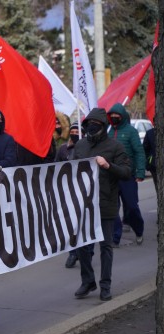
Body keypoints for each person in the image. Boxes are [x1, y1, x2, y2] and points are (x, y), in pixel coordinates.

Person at [72, 108, 131, 302]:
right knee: (82, 246)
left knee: (105, 246)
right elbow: (68, 170)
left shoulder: (115, 147)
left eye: (95, 124)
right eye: (88, 124)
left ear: (103, 126)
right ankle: (88, 281)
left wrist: (107, 165)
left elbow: (126, 172)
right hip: (83, 204)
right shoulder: (79, 146)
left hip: (105, 203)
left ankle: (105, 285)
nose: (91, 127)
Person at [107, 103, 145, 246]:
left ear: (122, 117)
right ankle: (115, 237)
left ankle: (139, 230)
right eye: (112, 116)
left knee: (132, 206)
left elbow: (139, 152)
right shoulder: (108, 131)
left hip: (127, 176)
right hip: (111, 176)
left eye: (117, 116)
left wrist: (140, 172)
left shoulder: (131, 131)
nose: (114, 117)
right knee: (112, 208)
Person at [56, 122, 82, 268]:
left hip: (84, 191)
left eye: (78, 131)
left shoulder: (86, 148)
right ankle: (73, 253)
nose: (74, 134)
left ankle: (86, 251)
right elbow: (55, 167)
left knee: (82, 223)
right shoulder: (63, 149)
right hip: (67, 191)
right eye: (72, 131)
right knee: (70, 223)